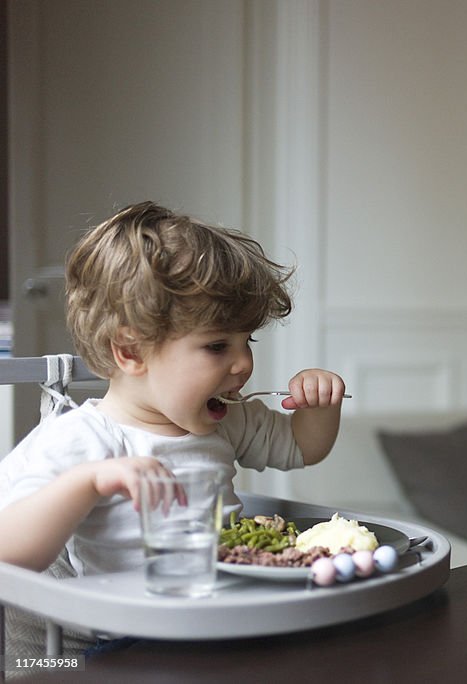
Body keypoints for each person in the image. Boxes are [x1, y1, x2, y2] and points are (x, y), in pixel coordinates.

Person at [0, 201, 347, 662]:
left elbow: (302, 448)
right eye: (217, 346)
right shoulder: (82, 439)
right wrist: (88, 483)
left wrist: (318, 406)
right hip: (112, 646)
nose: (243, 364)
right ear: (130, 351)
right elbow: (10, 553)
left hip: (215, 624)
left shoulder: (225, 418)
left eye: (249, 342)